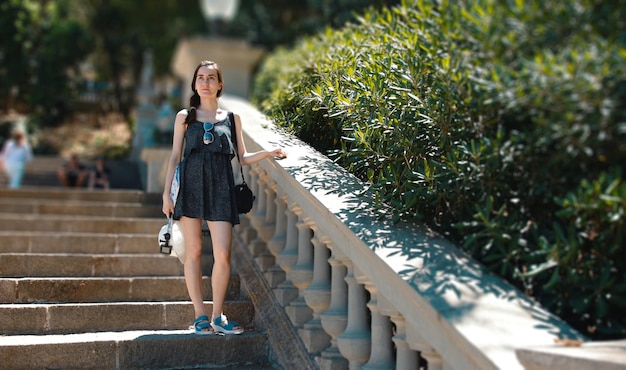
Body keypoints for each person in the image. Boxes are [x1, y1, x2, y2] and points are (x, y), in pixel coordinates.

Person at [161, 60, 286, 335]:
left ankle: (218, 315)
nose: (205, 82)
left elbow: (241, 157)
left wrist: (267, 153)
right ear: (195, 84)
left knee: (223, 253)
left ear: (219, 85)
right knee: (192, 252)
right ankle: (199, 316)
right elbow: (174, 157)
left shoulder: (232, 119)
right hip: (190, 187)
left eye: (211, 78)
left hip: (221, 188)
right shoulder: (184, 117)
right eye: (201, 78)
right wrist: (166, 194)